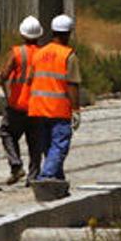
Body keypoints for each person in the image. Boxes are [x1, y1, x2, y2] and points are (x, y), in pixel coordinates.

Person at [28, 14, 81, 190]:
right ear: (67, 34)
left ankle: (58, 180)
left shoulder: (39, 53)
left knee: (48, 146)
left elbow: (30, 80)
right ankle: (46, 177)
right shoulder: (68, 55)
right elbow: (72, 85)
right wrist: (76, 110)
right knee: (59, 145)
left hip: (39, 108)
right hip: (59, 110)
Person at [0, 15, 43, 185]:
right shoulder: (43, 54)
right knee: (35, 142)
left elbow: (5, 74)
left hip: (17, 104)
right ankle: (33, 176)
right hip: (37, 106)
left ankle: (16, 166)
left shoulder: (17, 52)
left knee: (6, 132)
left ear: (23, 34)